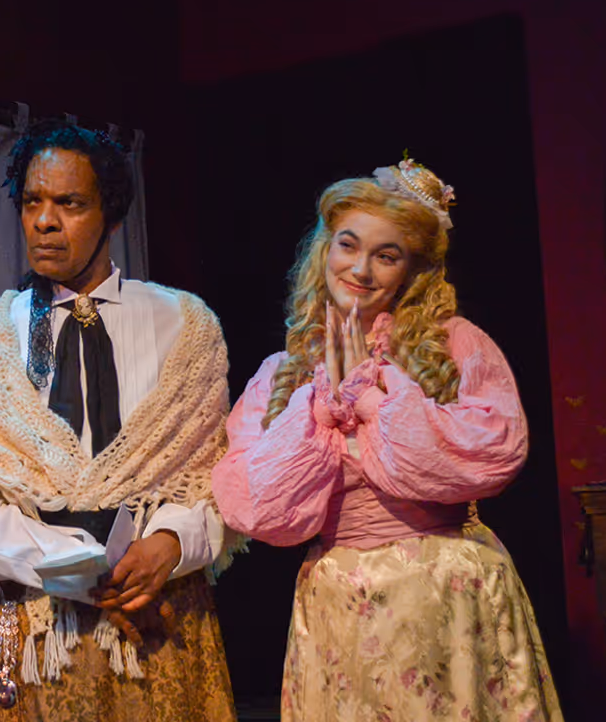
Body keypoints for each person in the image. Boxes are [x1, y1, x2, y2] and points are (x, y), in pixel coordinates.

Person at [211, 158, 564, 721]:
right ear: (325, 249)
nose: (361, 269)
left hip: (445, 591)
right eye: (348, 245)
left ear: (411, 270)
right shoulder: (282, 373)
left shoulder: (451, 343)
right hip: (339, 599)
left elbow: (495, 449)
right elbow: (255, 505)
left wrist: (373, 401)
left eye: (386, 255)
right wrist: (320, 408)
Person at [0, 122, 239, 721]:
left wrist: (170, 544)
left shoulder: (184, 325)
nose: (44, 221)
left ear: (111, 215)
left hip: (154, 621)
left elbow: (213, 481)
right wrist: (72, 565)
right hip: (30, 627)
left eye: (69, 203)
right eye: (32, 202)